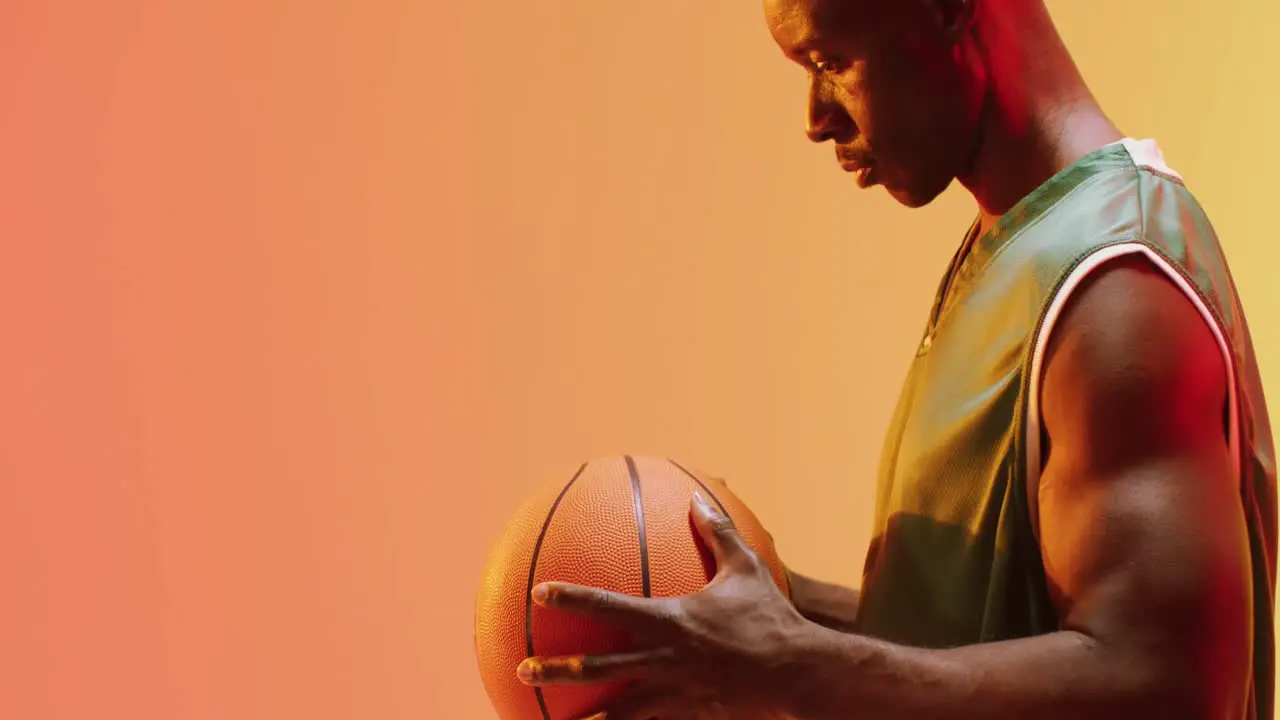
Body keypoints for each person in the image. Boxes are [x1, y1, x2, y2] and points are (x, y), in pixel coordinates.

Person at [514, 0, 1278, 717]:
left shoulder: (1115, 284)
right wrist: (771, 613)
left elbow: (1162, 686)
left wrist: (787, 659)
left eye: (830, 59)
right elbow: (979, 630)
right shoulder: (1018, 243)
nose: (814, 118)